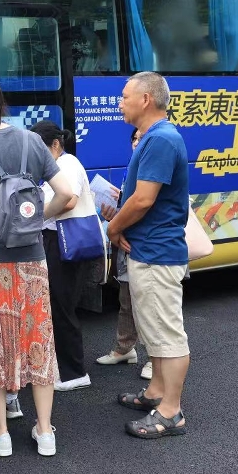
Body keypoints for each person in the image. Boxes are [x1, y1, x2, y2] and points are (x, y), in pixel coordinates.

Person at [0, 74, 79, 458]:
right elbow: (67, 194)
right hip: (32, 260)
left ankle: (1, 434)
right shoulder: (32, 141)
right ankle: (45, 431)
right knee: (38, 339)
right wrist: (37, 218)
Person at [107, 71, 191, 440]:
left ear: (146, 100)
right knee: (154, 329)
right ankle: (156, 392)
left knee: (167, 334)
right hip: (149, 249)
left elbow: (143, 199)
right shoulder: (156, 138)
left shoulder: (160, 139)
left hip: (157, 252)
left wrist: (113, 228)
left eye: (125, 96)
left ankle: (171, 412)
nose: (119, 103)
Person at [31, 120, 98, 393]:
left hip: (64, 241)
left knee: (62, 306)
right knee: (57, 305)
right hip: (56, 240)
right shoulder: (57, 165)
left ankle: (74, 373)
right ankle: (64, 367)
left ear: (56, 144)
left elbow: (68, 200)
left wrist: (36, 215)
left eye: (40, 150)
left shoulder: (67, 164)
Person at [96, 127, 152, 381]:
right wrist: (115, 214)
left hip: (145, 247)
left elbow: (146, 208)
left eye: (141, 139)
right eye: (134, 139)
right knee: (126, 300)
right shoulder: (132, 169)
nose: (136, 143)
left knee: (149, 305)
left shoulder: (154, 170)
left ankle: (155, 358)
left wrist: (116, 224)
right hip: (128, 244)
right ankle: (125, 348)